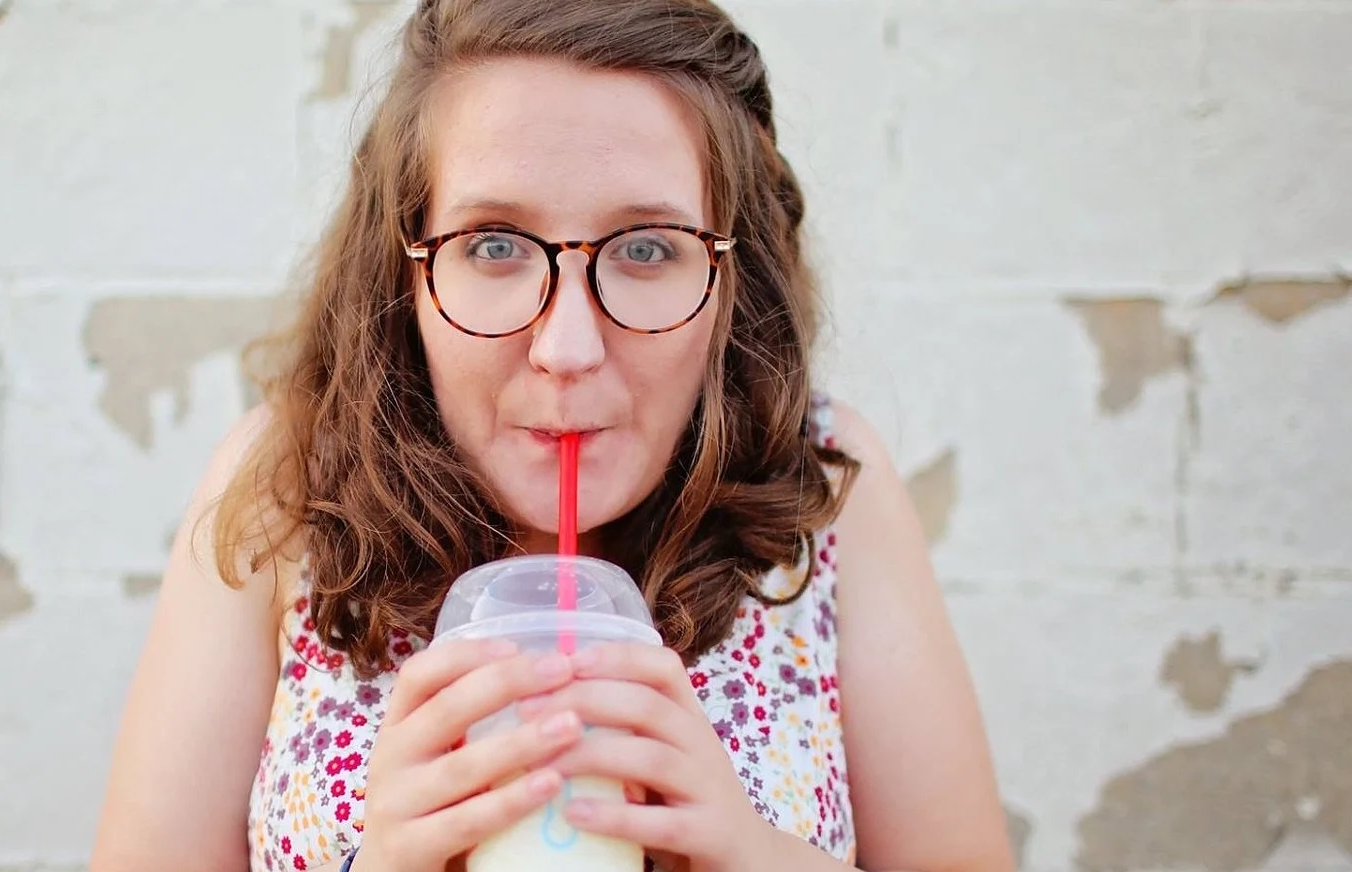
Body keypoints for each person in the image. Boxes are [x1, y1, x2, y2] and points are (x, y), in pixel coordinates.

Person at [89, 0, 1012, 870]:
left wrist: (753, 853)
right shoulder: (282, 491)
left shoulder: (826, 488)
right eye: (493, 244)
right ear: (402, 271)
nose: (565, 348)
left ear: (733, 276)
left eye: (647, 247)